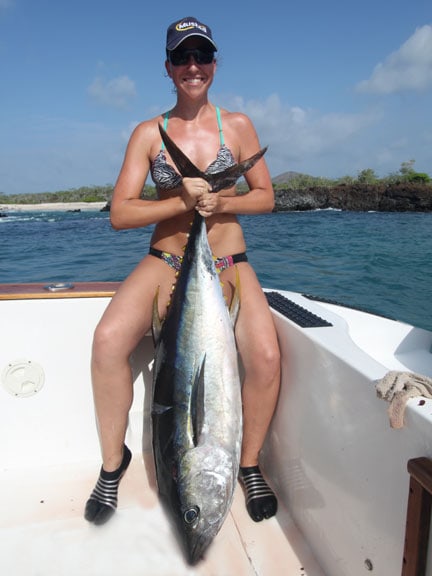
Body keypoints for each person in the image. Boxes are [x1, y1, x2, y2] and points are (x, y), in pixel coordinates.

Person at [84, 16, 281, 526]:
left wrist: (223, 201)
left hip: (228, 262)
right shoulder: (148, 133)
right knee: (107, 342)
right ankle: (113, 465)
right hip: (166, 261)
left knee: (265, 356)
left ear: (214, 63)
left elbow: (265, 197)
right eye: (182, 57)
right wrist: (180, 202)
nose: (193, 66)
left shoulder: (237, 125)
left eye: (202, 56)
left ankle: (249, 464)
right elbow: (120, 213)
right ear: (168, 67)